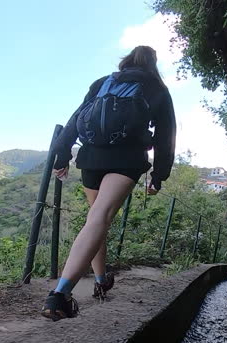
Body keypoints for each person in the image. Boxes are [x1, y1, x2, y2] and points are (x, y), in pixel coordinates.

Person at [41, 45, 176, 320]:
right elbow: (165, 137)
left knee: (96, 219)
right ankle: (60, 295)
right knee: (100, 218)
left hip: (91, 158)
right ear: (153, 63)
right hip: (126, 159)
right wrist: (159, 175)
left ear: (126, 61)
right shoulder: (157, 88)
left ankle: (101, 279)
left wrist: (61, 156)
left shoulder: (103, 82)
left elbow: (75, 118)